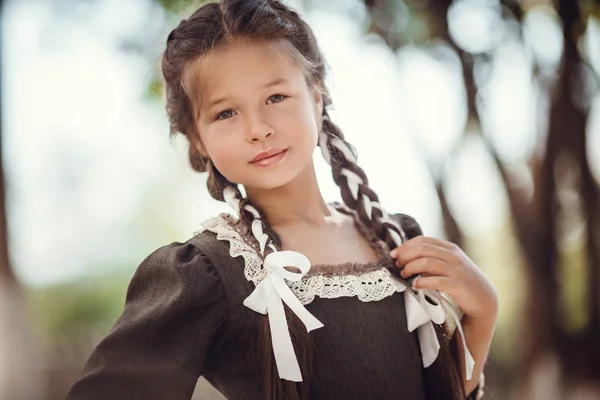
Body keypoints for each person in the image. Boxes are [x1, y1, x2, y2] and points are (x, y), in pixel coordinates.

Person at [66, 1, 498, 399]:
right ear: (198, 140)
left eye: (275, 97)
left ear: (316, 96)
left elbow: (442, 391)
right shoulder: (208, 272)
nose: (258, 128)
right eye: (226, 113)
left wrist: (483, 313)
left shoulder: (398, 241)